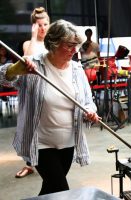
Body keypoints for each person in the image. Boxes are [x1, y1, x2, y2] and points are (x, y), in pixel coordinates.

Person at [0, 19, 99, 195]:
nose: (74, 50)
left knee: (51, 192)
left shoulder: (77, 69)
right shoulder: (32, 66)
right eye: (69, 45)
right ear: (53, 43)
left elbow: (87, 102)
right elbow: (3, 78)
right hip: (41, 143)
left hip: (67, 142)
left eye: (76, 45)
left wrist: (90, 112)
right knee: (62, 190)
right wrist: (15, 69)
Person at [15, 6, 50, 179]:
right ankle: (29, 163)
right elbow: (26, 61)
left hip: (49, 87)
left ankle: (46, 158)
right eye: (39, 25)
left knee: (47, 125)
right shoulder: (28, 44)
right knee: (31, 126)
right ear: (34, 26)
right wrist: (34, 36)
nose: (43, 28)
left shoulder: (53, 44)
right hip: (32, 89)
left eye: (45, 24)